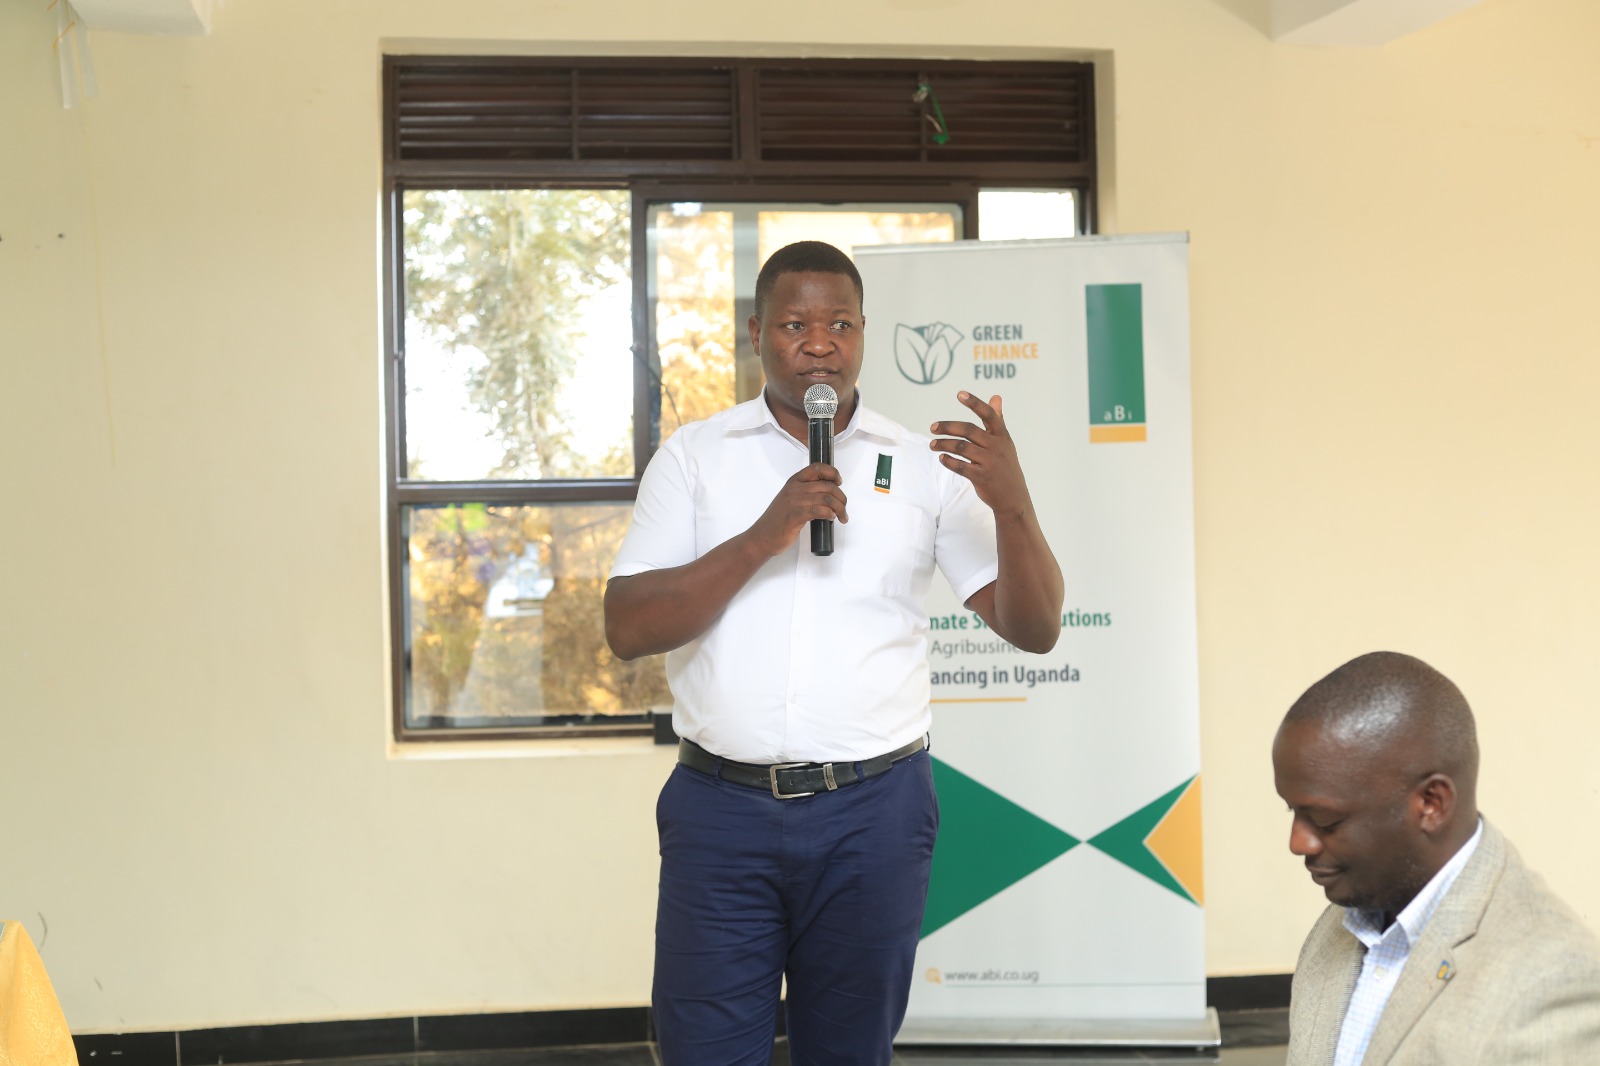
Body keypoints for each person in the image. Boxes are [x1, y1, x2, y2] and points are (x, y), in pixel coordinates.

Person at [604, 240, 1063, 1065]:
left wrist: (1013, 506)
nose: (820, 345)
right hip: (721, 813)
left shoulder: (922, 464)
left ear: (862, 333)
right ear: (756, 334)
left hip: (873, 814)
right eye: (795, 325)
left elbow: (1033, 629)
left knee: (851, 1053)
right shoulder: (696, 458)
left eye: (840, 325)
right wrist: (763, 535)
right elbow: (628, 627)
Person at [1273, 651, 1600, 1065]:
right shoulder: (1339, 925)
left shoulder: (1551, 981)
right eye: (1292, 811)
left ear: (1431, 803)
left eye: (1326, 820)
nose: (1298, 843)